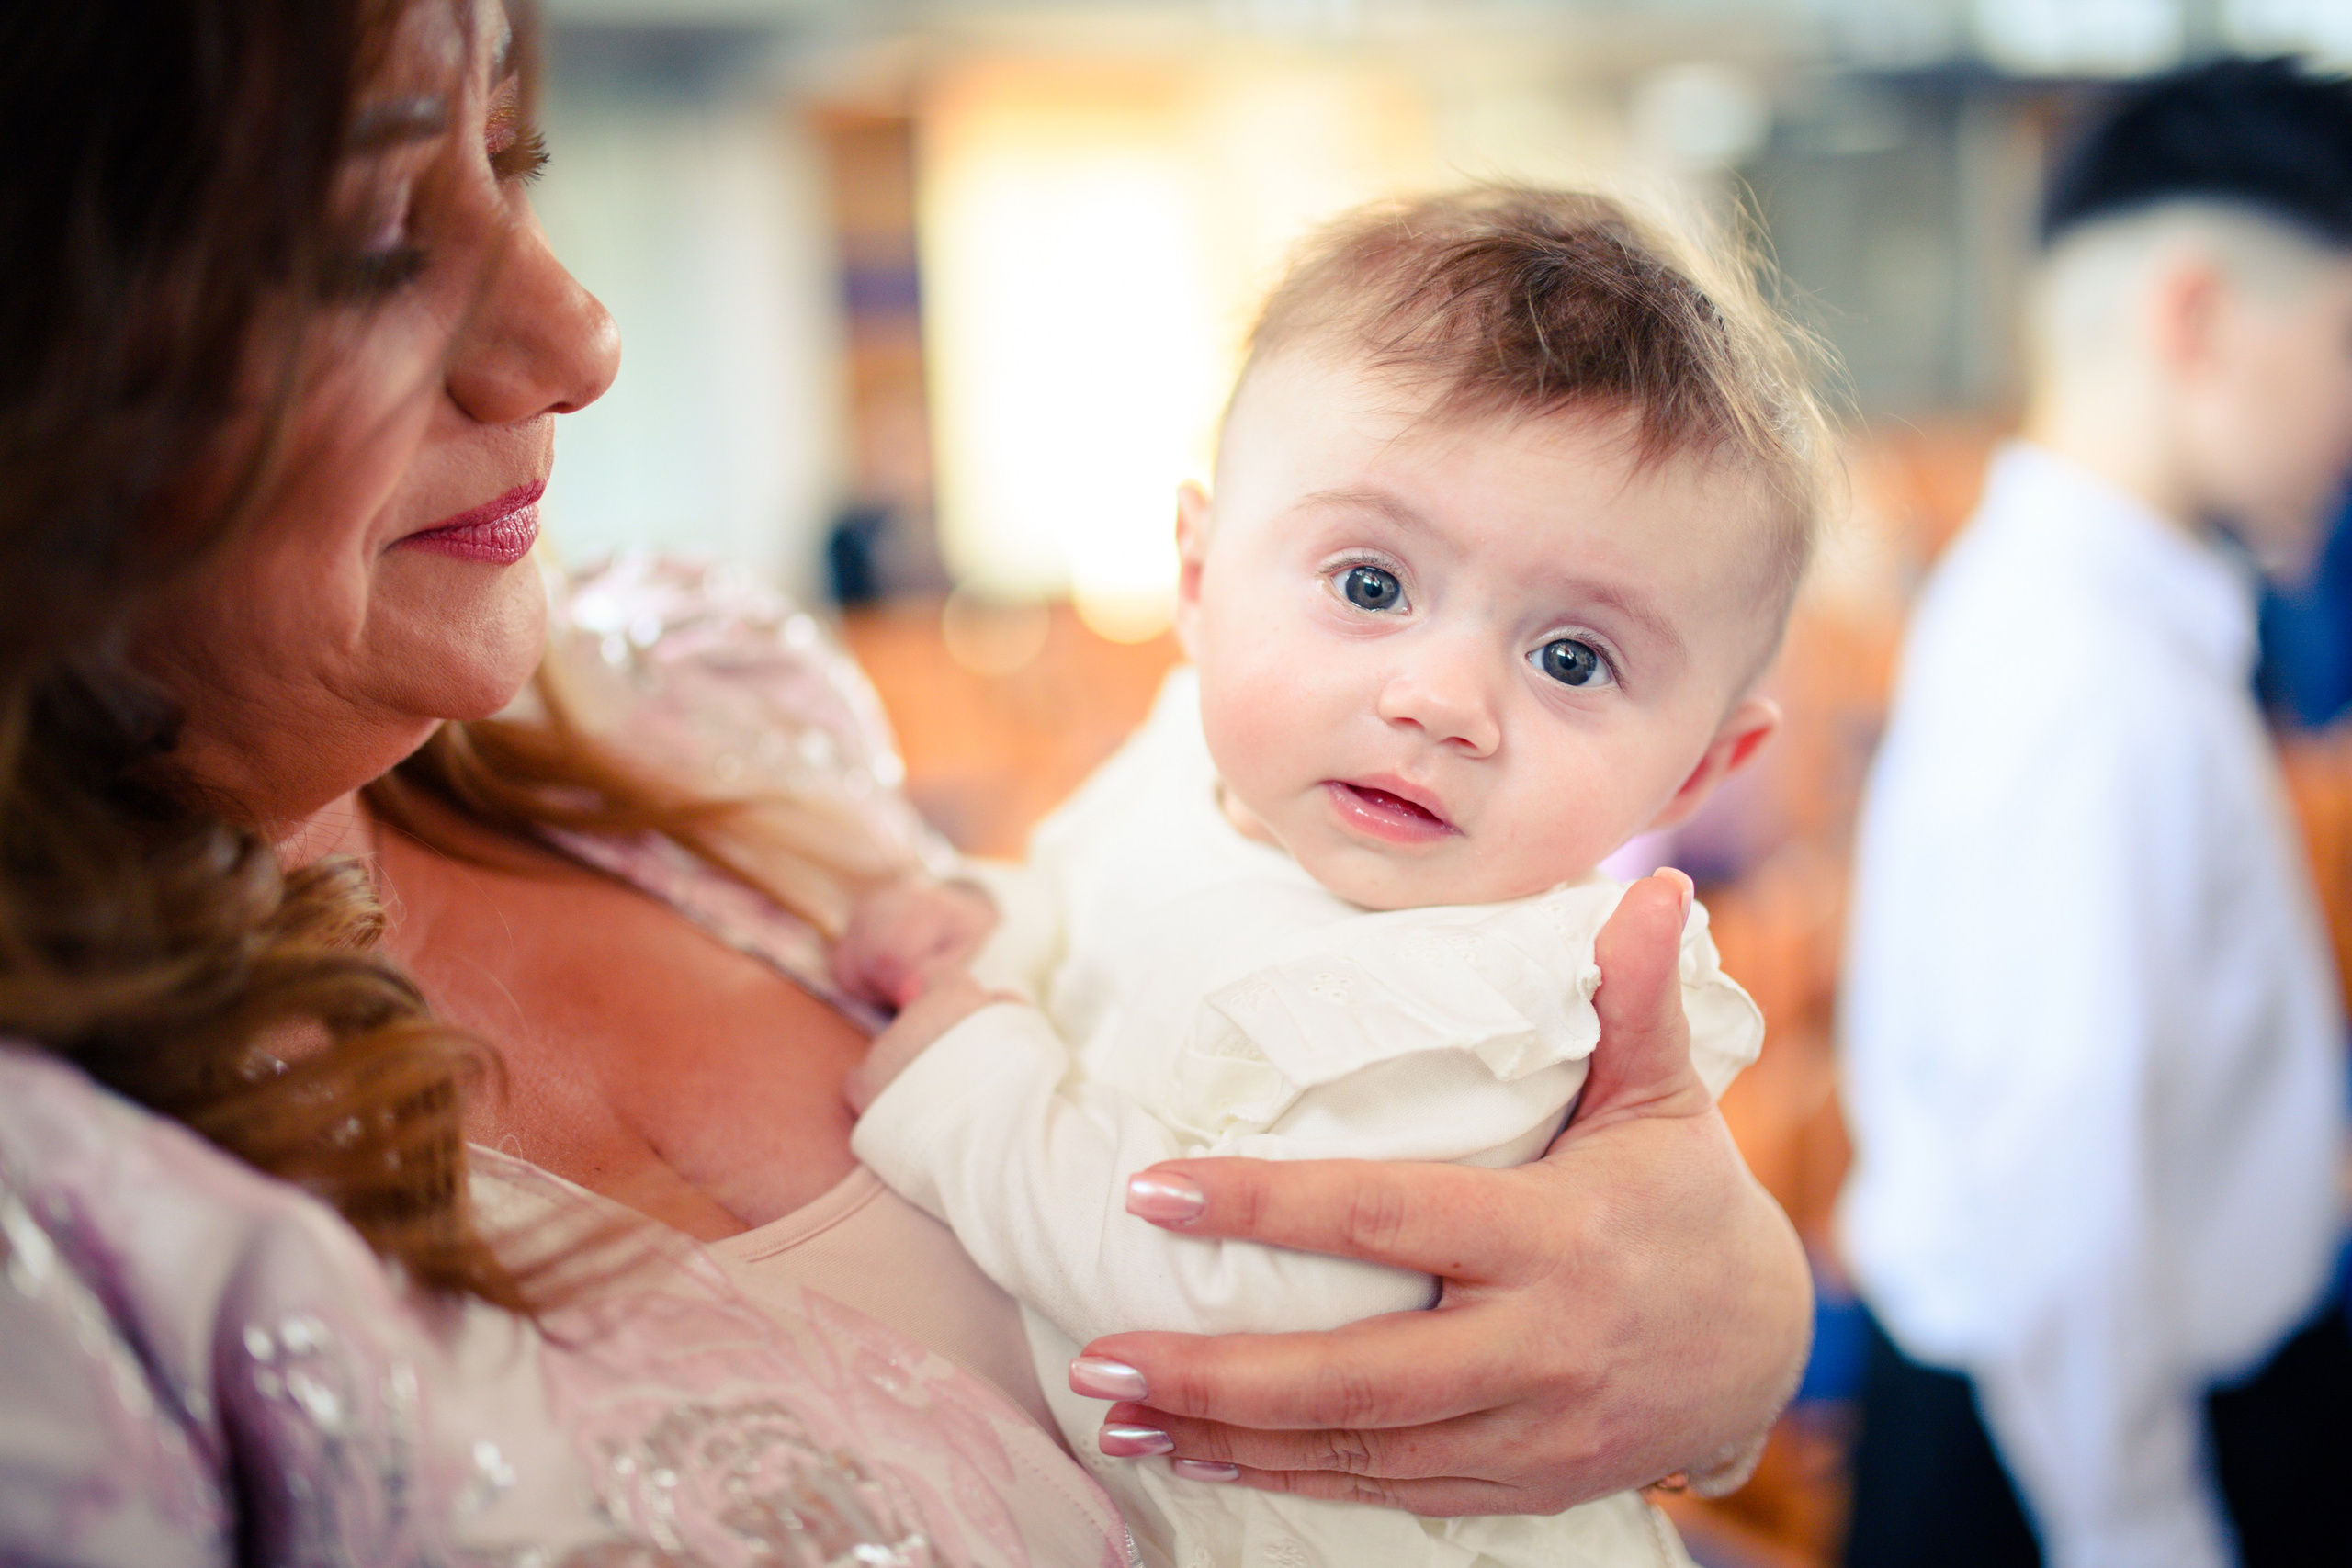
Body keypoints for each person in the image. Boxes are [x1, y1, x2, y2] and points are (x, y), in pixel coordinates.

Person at [0, 0, 1818, 1559]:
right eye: (368, 236)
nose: (576, 338)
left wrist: (1726, 1322)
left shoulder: (694, 711)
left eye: (518, 166)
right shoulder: (67, 1228)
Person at [826, 190, 1826, 1568]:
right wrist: (988, 918)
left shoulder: (1498, 999)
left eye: (1573, 659)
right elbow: (1087, 893)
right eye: (1369, 586)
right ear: (1196, 573)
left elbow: (1235, 1307)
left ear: (1699, 774)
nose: (1440, 699)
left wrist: (966, 1089)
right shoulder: (1192, 754)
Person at [1838, 58, 2352, 1568]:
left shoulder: (2110, 615)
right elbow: (2058, 1187)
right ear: (2195, 317)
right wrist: (2143, 1532)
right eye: (2344, 340)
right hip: (2075, 1457)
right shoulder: (2078, 670)